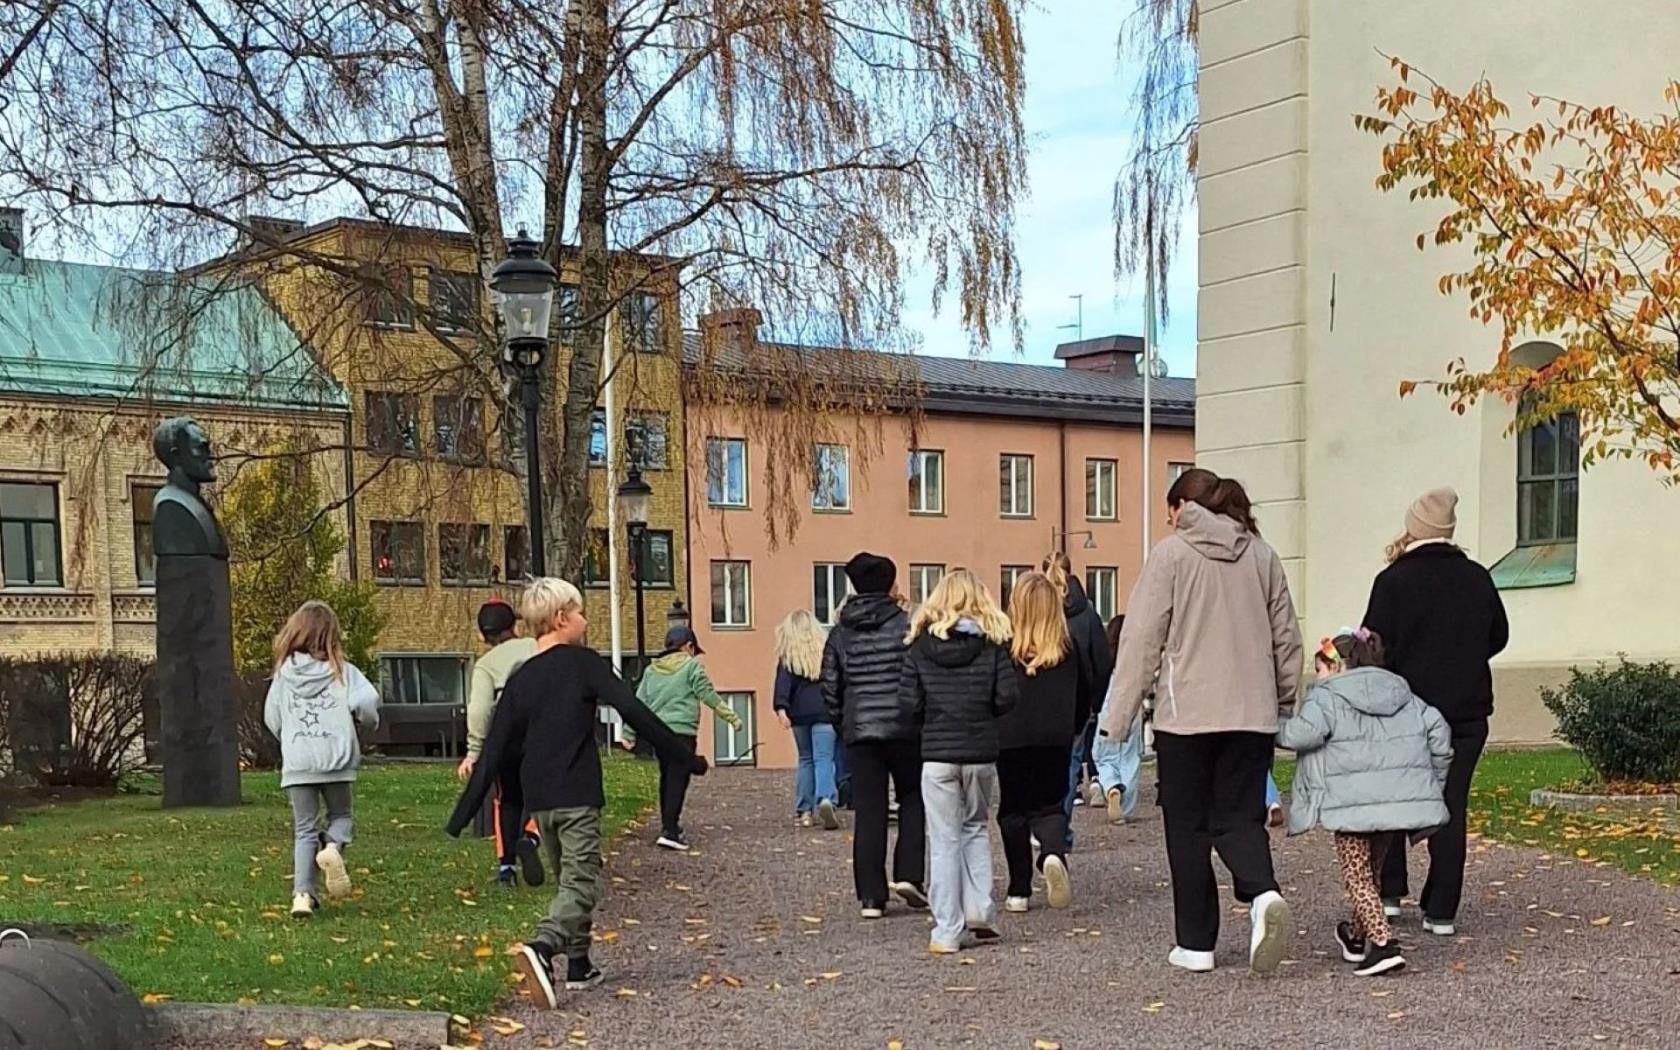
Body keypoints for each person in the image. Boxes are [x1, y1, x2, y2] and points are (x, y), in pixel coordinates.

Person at [447, 577, 708, 1008]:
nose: (587, 620)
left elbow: (494, 747)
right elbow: (634, 712)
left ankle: (580, 964)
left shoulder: (521, 677)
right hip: (578, 792)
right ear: (561, 618)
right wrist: (685, 757)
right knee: (582, 884)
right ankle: (544, 947)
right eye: (582, 612)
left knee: (570, 880)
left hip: (539, 800)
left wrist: (463, 814)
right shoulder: (584, 664)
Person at [1101, 470, 1302, 974]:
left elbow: (1141, 640)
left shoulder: (1170, 555)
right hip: (1251, 715)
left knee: (1187, 828)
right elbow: (1287, 639)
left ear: (1183, 505)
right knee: (1240, 817)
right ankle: (1262, 894)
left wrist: (1116, 719)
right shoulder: (1263, 556)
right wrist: (1283, 700)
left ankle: (1196, 944)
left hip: (1186, 715)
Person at [1363, 488, 1508, 935]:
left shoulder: (1392, 581)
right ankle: (1441, 909)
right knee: (1451, 804)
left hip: (1405, 712)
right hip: (1465, 714)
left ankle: (1388, 892)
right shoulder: (1477, 578)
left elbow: (1371, 646)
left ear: (1413, 530)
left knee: (1394, 797)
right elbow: (1498, 636)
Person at [1277, 628, 1453, 977]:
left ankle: (1385, 945)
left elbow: (1302, 735)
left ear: (1339, 666)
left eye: (1322, 668)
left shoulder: (1326, 698)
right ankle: (1356, 937)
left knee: (1357, 877)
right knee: (1370, 874)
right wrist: (1426, 786)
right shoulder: (1405, 696)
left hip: (1350, 806)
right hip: (1394, 806)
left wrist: (1273, 724)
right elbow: (1441, 739)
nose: (1319, 676)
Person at [900, 569, 1017, 953]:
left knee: (944, 841)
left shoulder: (919, 647)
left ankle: (947, 930)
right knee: (975, 829)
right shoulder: (993, 644)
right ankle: (980, 908)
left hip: (936, 753)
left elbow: (908, 703)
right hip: (981, 751)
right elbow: (1006, 698)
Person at [822, 552, 926, 919]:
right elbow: (919, 676)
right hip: (904, 727)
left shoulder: (839, 633)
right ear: (890, 584)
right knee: (913, 798)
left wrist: (845, 725)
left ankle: (871, 896)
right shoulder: (908, 626)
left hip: (861, 730)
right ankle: (910, 874)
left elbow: (830, 687)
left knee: (870, 808)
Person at [265, 600, 381, 919]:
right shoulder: (343, 672)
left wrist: (288, 740)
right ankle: (331, 847)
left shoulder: (283, 676)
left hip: (299, 762)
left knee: (304, 829)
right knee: (341, 815)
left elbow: (271, 717)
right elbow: (368, 702)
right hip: (337, 759)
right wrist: (364, 725)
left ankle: (302, 896)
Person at [997, 572, 1085, 912]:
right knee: (1050, 805)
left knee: (1013, 811)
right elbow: (1085, 691)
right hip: (1055, 737)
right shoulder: (1067, 647)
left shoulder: (1004, 648)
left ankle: (1019, 888)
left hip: (1011, 737)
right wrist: (1073, 727)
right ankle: (1051, 852)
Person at [627, 625, 742, 852]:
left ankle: (669, 825)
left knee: (667, 776)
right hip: (683, 732)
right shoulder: (691, 668)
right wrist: (733, 719)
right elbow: (709, 696)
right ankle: (670, 831)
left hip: (659, 732)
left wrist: (628, 733)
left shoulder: (652, 671)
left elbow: (638, 704)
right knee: (678, 779)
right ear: (688, 646)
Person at [459, 598, 543, 888]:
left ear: (482, 635)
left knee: (507, 800)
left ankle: (507, 868)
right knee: (546, 794)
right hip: (544, 734)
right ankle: (532, 836)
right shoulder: (538, 647)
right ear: (515, 624)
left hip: (506, 740)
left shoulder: (485, 665)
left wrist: (474, 751)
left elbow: (479, 710)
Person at [1040, 553, 1112, 834]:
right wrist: (1096, 699)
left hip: (1041, 698)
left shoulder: (1040, 608)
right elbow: (1102, 661)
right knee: (1070, 761)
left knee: (1042, 763)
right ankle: (1060, 825)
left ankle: (1043, 822)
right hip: (1078, 699)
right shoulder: (1088, 612)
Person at [773, 610, 840, 829]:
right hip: (824, 712)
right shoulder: (825, 653)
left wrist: (782, 710)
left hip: (799, 714)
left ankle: (805, 811)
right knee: (824, 758)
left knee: (805, 759)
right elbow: (836, 682)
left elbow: (783, 686)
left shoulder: (788, 657)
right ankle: (826, 799)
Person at [1088, 615, 1143, 824]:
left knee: (1103, 756)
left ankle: (1111, 786)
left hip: (1106, 710)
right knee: (1130, 759)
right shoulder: (1133, 661)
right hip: (1132, 709)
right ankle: (1125, 808)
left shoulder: (1104, 661)